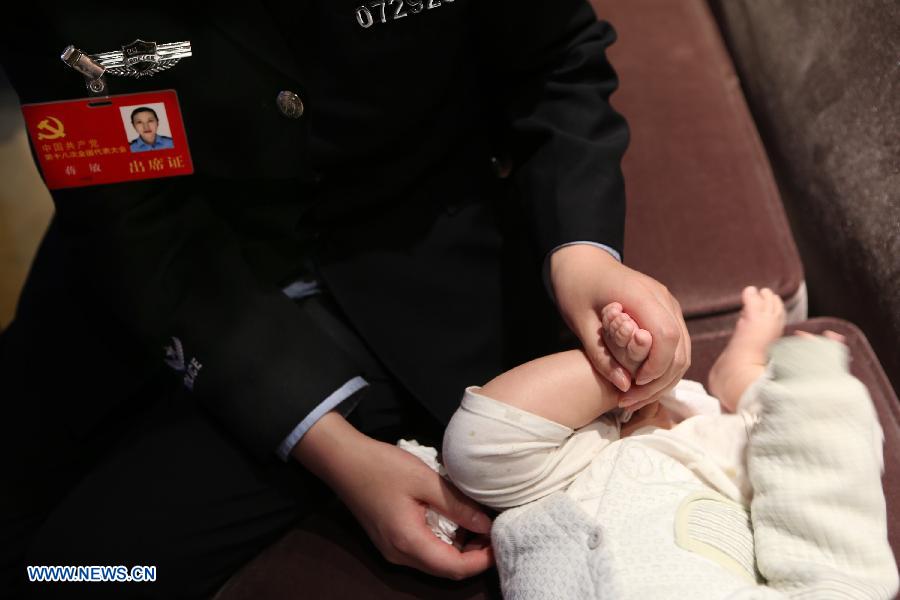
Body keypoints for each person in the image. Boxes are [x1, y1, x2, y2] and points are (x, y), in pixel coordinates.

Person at [0, 2, 690, 598]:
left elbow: (556, 61)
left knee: (74, 573)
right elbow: (127, 212)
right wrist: (338, 455)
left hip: (413, 276)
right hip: (155, 262)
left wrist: (582, 256)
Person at [443, 286, 898, 598]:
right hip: (701, 470)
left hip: (562, 482)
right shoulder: (712, 453)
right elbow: (832, 548)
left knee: (476, 452)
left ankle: (635, 382)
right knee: (794, 429)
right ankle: (732, 373)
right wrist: (815, 386)